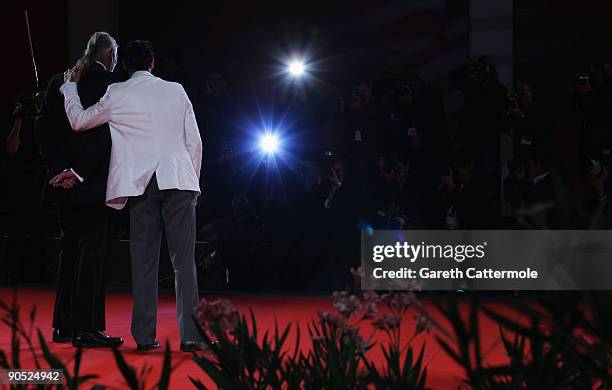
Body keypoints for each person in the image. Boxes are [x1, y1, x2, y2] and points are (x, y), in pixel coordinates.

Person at [58, 40, 204, 352]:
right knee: (184, 262)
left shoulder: (117, 93)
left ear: (124, 65)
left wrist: (69, 89)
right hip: (178, 178)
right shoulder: (176, 90)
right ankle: (191, 337)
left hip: (140, 184)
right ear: (153, 62)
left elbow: (79, 122)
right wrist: (194, 183)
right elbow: (195, 140)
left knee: (143, 261)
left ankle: (145, 337)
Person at [37, 32, 123, 348]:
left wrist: (60, 168)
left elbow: (43, 128)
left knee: (69, 252)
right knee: (92, 257)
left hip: (61, 185)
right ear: (111, 55)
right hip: (93, 184)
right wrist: (79, 173)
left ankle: (63, 325)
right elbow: (105, 137)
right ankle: (86, 329)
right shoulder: (111, 87)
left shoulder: (57, 80)